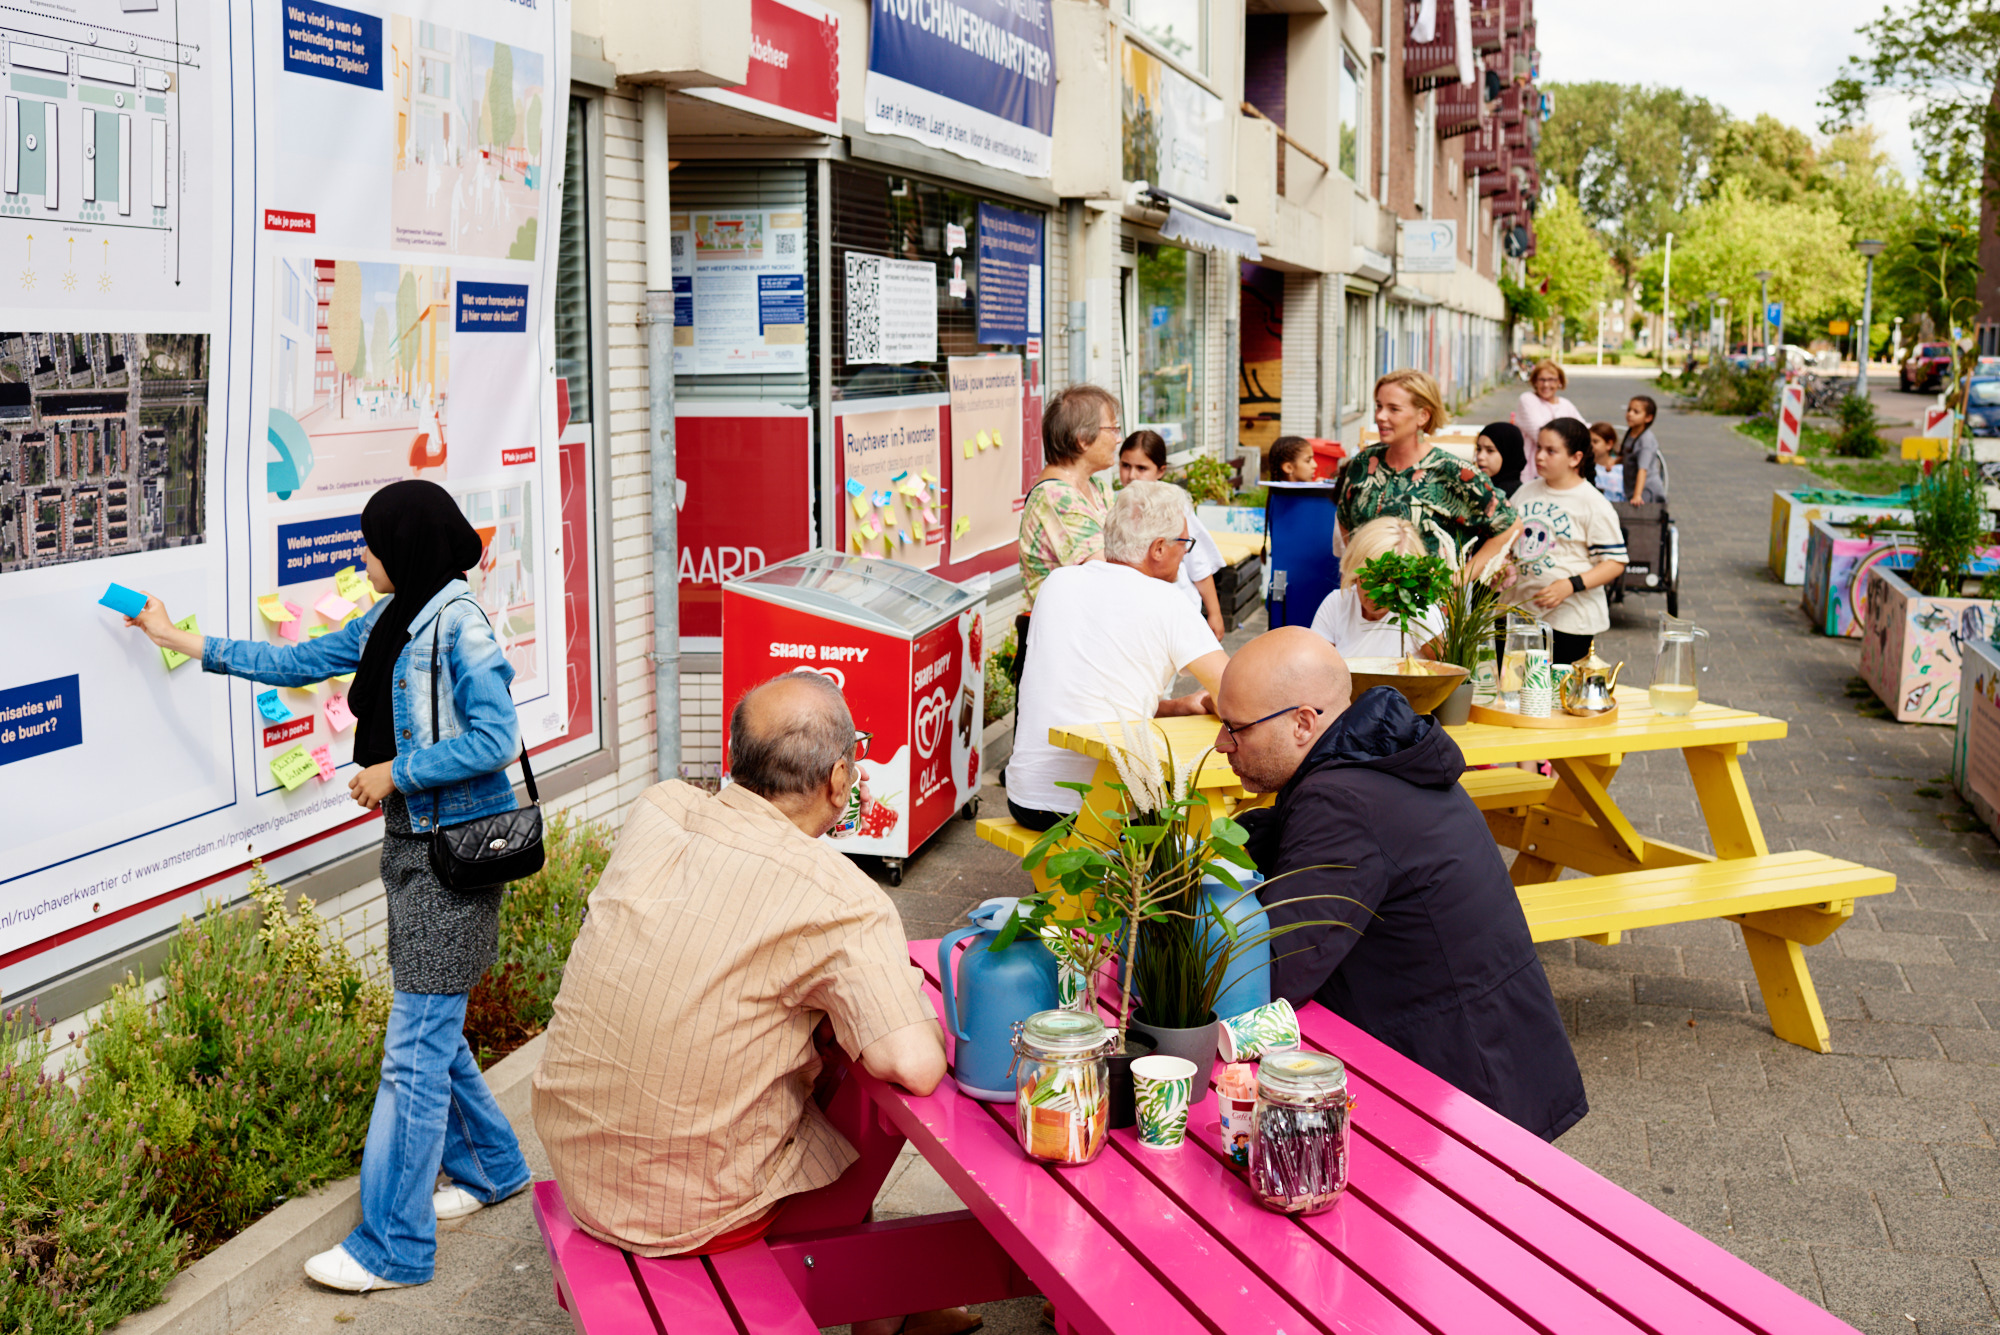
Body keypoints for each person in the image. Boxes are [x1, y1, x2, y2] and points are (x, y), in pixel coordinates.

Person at [126, 480, 532, 1293]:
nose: (361, 557)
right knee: (433, 1025)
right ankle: (494, 1169)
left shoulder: (459, 623)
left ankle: (393, 1245)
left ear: (406, 548)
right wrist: (175, 635)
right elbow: (297, 658)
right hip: (417, 848)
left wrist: (396, 771)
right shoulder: (395, 617)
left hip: (454, 854)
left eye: (371, 545)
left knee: (413, 1049)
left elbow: (497, 736)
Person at [531, 673, 978, 1335]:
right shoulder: (841, 898)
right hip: (688, 1212)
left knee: (807, 1030)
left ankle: (883, 1304)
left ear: (733, 759)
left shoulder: (660, 809)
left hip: (581, 1165)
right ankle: (877, 1293)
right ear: (839, 778)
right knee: (866, 1075)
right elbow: (913, 1063)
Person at [1213, 627, 1588, 1142]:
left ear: (1303, 723)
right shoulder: (1376, 760)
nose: (1220, 745)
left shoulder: (1340, 803)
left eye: (1236, 728)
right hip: (1497, 1055)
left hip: (1462, 1098)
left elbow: (1272, 972)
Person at [1006, 481, 1228, 831]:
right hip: (1108, 809)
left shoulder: (1057, 583)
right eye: (1184, 543)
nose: (1185, 554)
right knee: (1205, 808)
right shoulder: (1169, 601)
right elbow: (1234, 692)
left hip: (1026, 799)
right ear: (1158, 548)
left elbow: (1088, 694)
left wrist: (1175, 707)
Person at [1335, 369, 1518, 572]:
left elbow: (1510, 526)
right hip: (1365, 598)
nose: (1380, 416)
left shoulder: (1453, 472)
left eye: (1393, 409)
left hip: (1430, 602)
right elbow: (1345, 523)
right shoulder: (1363, 463)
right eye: (1378, 406)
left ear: (1422, 416)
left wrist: (1460, 579)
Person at [1012, 384, 1122, 687]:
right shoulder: (1056, 497)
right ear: (1082, 439)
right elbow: (1110, 568)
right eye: (1112, 429)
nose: (1118, 438)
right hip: (1061, 651)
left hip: (1087, 641)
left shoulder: (1095, 488)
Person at [1510, 418, 1629, 664]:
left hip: (1569, 622)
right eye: (1539, 448)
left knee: (1555, 694)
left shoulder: (1592, 503)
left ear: (1575, 458)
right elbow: (1508, 539)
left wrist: (1570, 585)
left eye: (1551, 451)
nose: (1540, 456)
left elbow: (1615, 562)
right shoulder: (1526, 491)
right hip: (1521, 616)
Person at [1119, 429, 1228, 638]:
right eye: (1125, 466)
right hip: (1136, 611)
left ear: (1160, 471)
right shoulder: (1116, 504)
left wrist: (1214, 613)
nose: (1132, 475)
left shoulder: (1175, 504)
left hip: (1178, 608)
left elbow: (1199, 562)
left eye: (1142, 468)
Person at [1309, 517, 1443, 660]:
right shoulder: (1336, 604)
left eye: (1390, 584)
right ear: (1356, 572)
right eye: (1369, 580)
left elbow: (1447, 672)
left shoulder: (1421, 613)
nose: (1375, 596)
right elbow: (1315, 665)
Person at [1514, 361, 1583, 480]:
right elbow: (1540, 434)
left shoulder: (1566, 404)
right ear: (1535, 382)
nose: (1546, 384)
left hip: (1561, 471)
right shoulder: (1528, 399)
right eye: (1542, 380)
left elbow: (1583, 429)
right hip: (1532, 469)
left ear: (1559, 382)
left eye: (1551, 379)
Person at [1621, 395, 1667, 503]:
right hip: (1633, 488)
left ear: (1648, 418)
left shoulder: (1645, 441)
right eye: (1629, 410)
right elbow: (1630, 457)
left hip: (1646, 491)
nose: (1630, 414)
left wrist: (1637, 495)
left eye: (1636, 412)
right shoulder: (1631, 434)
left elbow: (1643, 469)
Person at [1472, 422, 1528, 498]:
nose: (1480, 457)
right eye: (1479, 449)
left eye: (1490, 450)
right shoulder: (1481, 486)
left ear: (1508, 454)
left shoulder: (1511, 496)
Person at [1589, 422, 1627, 503]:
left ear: (1609, 444)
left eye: (1595, 442)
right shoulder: (1586, 467)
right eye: (1589, 442)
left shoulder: (1621, 467)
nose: (1591, 446)